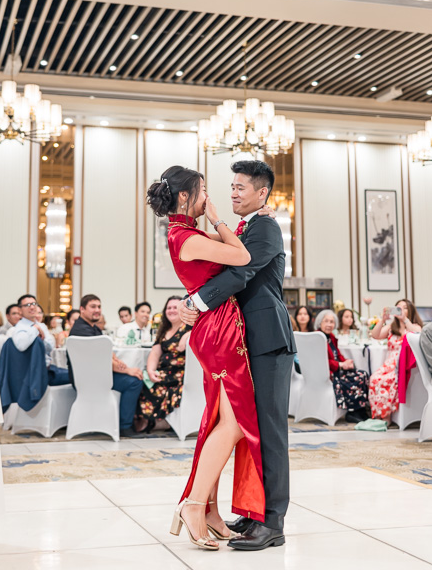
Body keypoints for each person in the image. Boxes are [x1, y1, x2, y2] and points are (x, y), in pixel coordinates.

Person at [166, 160, 296, 551]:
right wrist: (194, 303)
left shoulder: (266, 228)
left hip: (267, 339)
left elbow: (240, 274)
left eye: (242, 187)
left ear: (263, 194)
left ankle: (273, 521)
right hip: (238, 338)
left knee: (269, 430)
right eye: (232, 186)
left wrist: (195, 303)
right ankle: (253, 511)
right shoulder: (244, 228)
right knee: (243, 427)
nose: (234, 192)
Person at [68, 294, 143, 434]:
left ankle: (131, 421)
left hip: (93, 377)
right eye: (93, 307)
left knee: (134, 376)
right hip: (90, 380)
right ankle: (125, 426)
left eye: (99, 306)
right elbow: (98, 360)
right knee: (134, 382)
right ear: (82, 309)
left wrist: (118, 362)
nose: (97, 310)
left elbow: (106, 352)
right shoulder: (81, 331)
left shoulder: (92, 327)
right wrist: (127, 371)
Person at [135, 296, 191, 433]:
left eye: (175, 307)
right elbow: (155, 353)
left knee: (156, 384)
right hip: (164, 371)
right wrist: (150, 370)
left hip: (180, 373)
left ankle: (153, 421)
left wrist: (190, 333)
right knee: (142, 379)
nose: (171, 310)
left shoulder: (190, 328)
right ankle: (149, 420)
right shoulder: (164, 330)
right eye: (169, 308)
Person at [369, 299, 423, 421]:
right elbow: (375, 335)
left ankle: (386, 415)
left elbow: (417, 334)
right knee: (374, 379)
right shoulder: (391, 327)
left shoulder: (413, 326)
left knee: (388, 380)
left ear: (410, 311)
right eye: (398, 308)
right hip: (389, 364)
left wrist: (404, 319)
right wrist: (383, 319)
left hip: (403, 364)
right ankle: (380, 414)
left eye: (404, 308)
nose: (401, 310)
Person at [315, 309, 369, 423]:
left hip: (337, 369)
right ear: (320, 323)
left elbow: (337, 354)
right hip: (329, 373)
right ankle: (352, 412)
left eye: (332, 322)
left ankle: (361, 409)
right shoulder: (318, 338)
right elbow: (322, 361)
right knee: (356, 378)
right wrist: (340, 365)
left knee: (363, 374)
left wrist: (346, 362)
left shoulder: (331, 337)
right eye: (326, 321)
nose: (329, 324)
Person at [9, 294, 69, 384]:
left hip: (48, 368)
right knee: (76, 376)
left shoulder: (42, 326)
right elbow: (21, 346)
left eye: (34, 304)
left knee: (77, 374)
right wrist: (35, 330)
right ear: (20, 310)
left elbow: (50, 348)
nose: (32, 307)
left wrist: (42, 337)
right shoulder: (19, 328)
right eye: (28, 305)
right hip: (34, 374)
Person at [292, 305, 314, 373]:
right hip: (295, 366)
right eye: (300, 314)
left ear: (309, 317)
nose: (302, 316)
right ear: (296, 316)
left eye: (305, 314)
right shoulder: (292, 334)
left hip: (311, 364)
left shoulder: (314, 334)